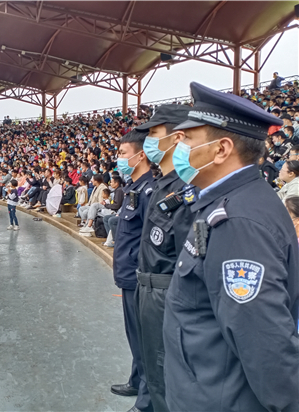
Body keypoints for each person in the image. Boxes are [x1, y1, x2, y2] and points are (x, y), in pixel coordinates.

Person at [163, 82, 299, 412]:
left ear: (221, 149)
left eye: (188, 139)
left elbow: (265, 344)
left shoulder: (238, 222)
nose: (179, 146)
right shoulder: (231, 202)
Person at [131, 104, 195, 412]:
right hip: (148, 287)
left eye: (154, 133)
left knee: (164, 373)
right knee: (152, 368)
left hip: (166, 292)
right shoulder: (162, 184)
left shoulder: (185, 189)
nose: (148, 141)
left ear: (176, 138)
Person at [110, 129, 155, 412]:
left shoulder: (149, 190)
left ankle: (147, 401)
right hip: (128, 276)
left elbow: (151, 239)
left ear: (141, 156)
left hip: (138, 277)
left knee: (144, 340)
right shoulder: (134, 188)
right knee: (134, 336)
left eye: (123, 153)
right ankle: (136, 381)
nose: (118, 158)